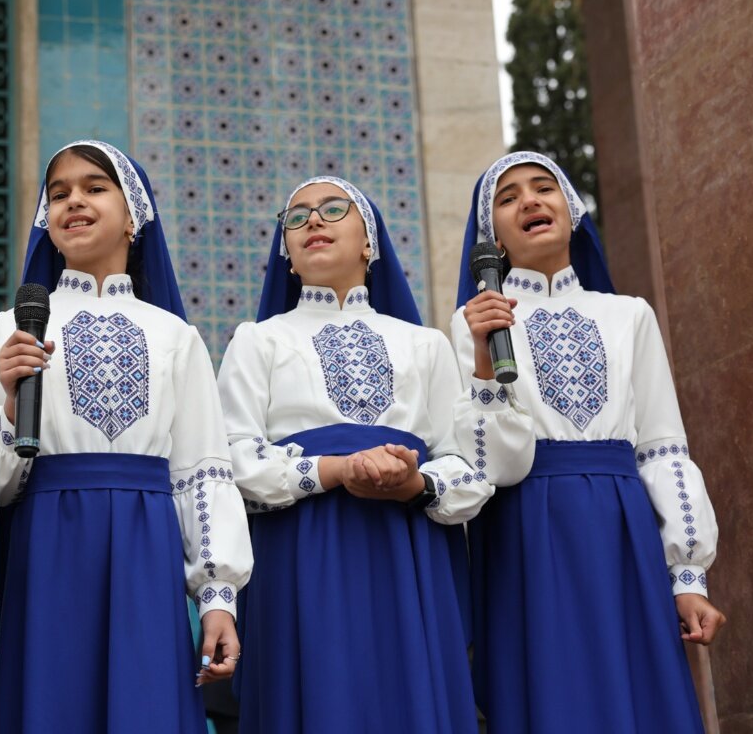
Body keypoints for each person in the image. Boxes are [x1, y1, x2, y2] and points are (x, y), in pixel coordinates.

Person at [0, 140, 252, 734]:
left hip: (145, 544)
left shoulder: (175, 335)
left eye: (94, 188)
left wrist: (217, 597)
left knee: (145, 701)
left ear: (133, 216)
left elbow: (201, 471)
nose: (73, 201)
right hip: (48, 541)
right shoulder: (13, 326)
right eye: (58, 194)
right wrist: (9, 405)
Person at [453, 151, 725, 733]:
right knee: (554, 696)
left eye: (543, 188)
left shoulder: (629, 315)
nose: (529, 201)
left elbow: (662, 446)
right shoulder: (471, 322)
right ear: (490, 238)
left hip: (624, 529)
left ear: (572, 210)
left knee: (641, 694)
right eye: (507, 198)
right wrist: (484, 358)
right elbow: (489, 465)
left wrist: (687, 575)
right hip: (525, 530)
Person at [218, 176, 490, 733]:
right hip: (300, 555)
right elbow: (231, 458)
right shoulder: (258, 340)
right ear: (287, 255)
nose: (313, 221)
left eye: (332, 209)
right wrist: (334, 470)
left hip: (406, 553)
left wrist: (416, 483)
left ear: (370, 241)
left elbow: (466, 464)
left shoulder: (425, 344)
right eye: (296, 217)